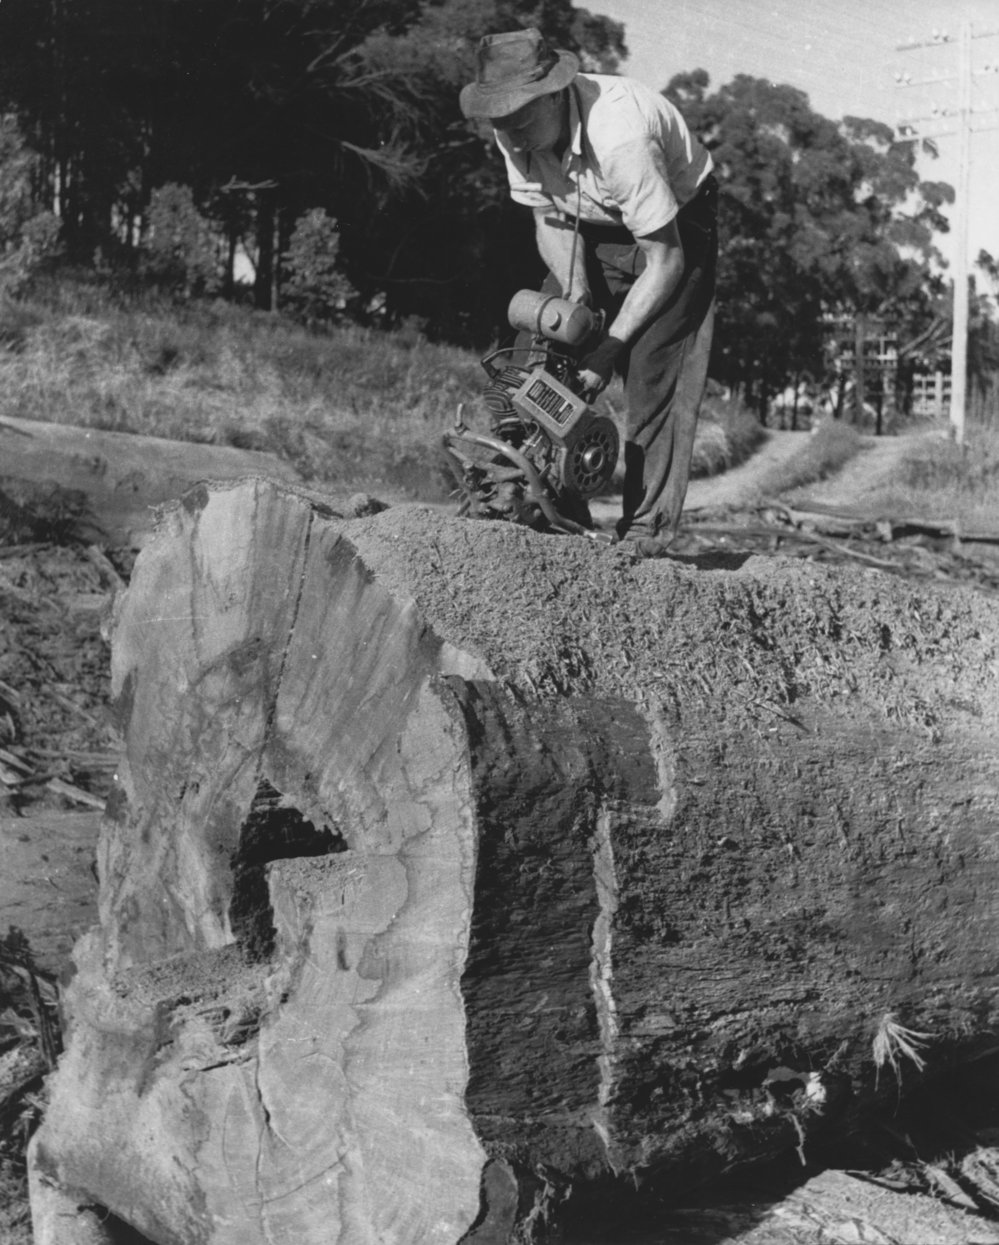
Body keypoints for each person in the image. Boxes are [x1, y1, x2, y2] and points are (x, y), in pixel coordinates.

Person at [460, 27, 718, 555]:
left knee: (652, 370)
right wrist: (576, 290)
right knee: (546, 343)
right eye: (500, 121)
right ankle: (541, 498)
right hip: (587, 222)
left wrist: (607, 350)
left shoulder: (620, 133)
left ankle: (648, 528)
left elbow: (665, 261)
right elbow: (547, 215)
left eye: (520, 118)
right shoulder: (515, 132)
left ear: (555, 95)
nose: (510, 134)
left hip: (673, 227)